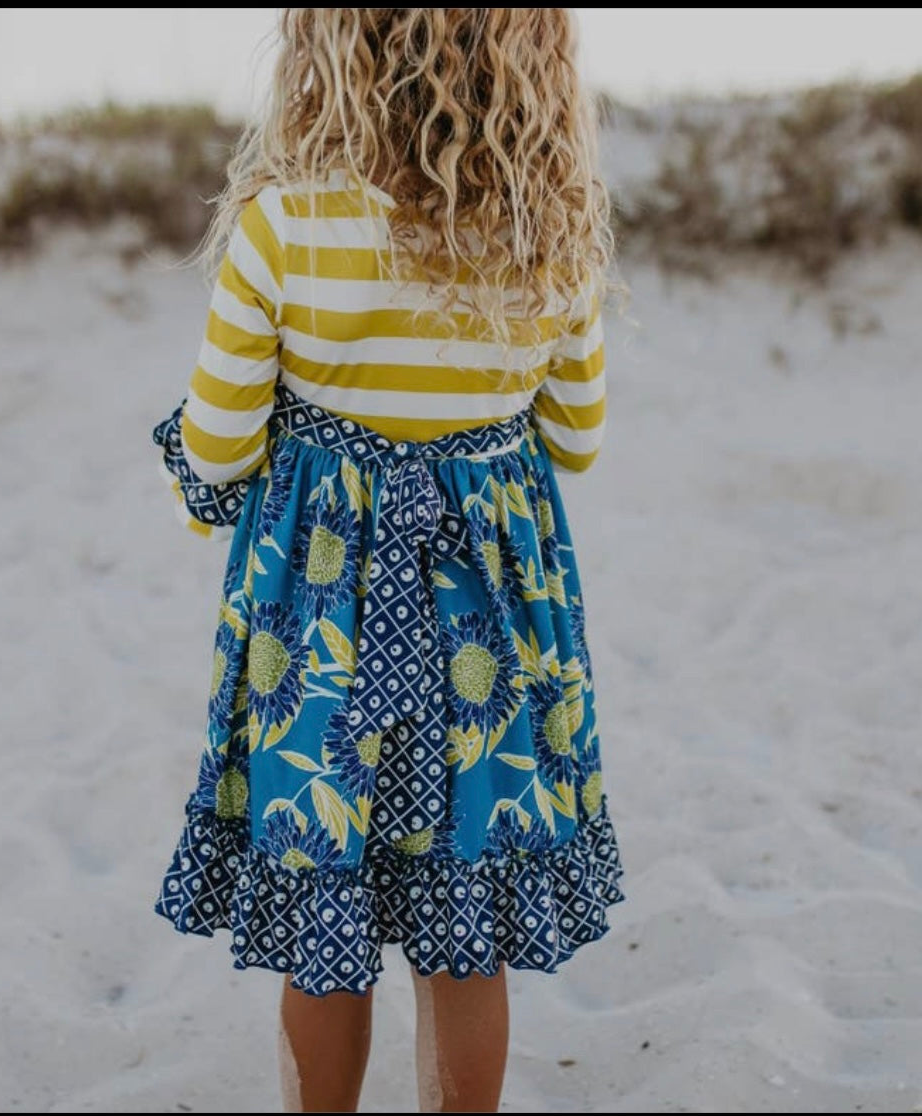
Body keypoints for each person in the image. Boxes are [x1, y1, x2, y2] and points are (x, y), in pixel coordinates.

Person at [150, 9, 625, 1112]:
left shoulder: (283, 228)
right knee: (467, 919)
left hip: (319, 627)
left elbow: (219, 445)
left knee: (329, 905)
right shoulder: (546, 233)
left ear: (330, 51)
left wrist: (208, 481)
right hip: (489, 634)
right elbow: (580, 439)